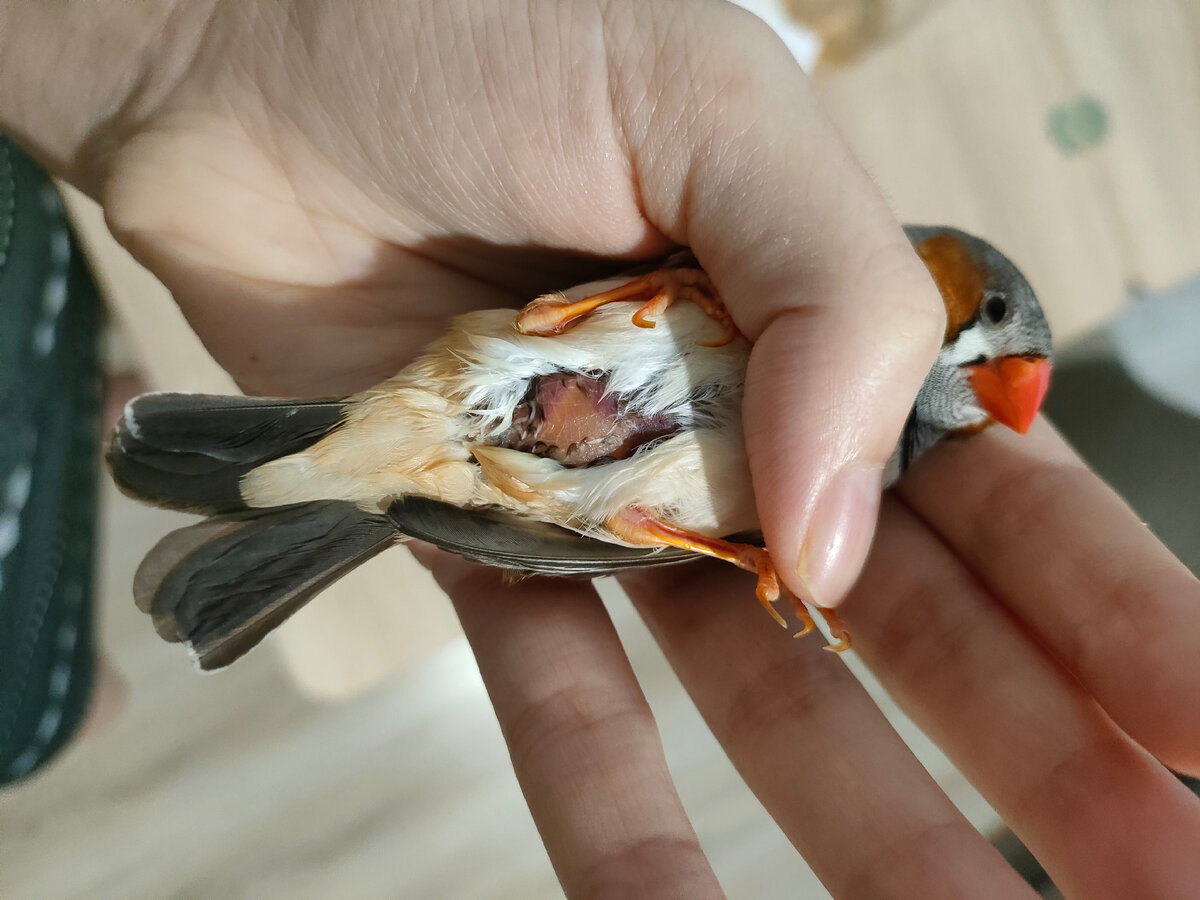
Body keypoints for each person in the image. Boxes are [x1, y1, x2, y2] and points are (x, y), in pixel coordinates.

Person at [2, 2, 1197, 895]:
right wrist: (197, 41)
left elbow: (636, 535)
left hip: (539, 477)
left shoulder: (877, 450)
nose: (992, 385)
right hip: (516, 364)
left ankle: (335, 493)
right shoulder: (811, 293)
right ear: (942, 278)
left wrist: (185, 48)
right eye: (991, 333)